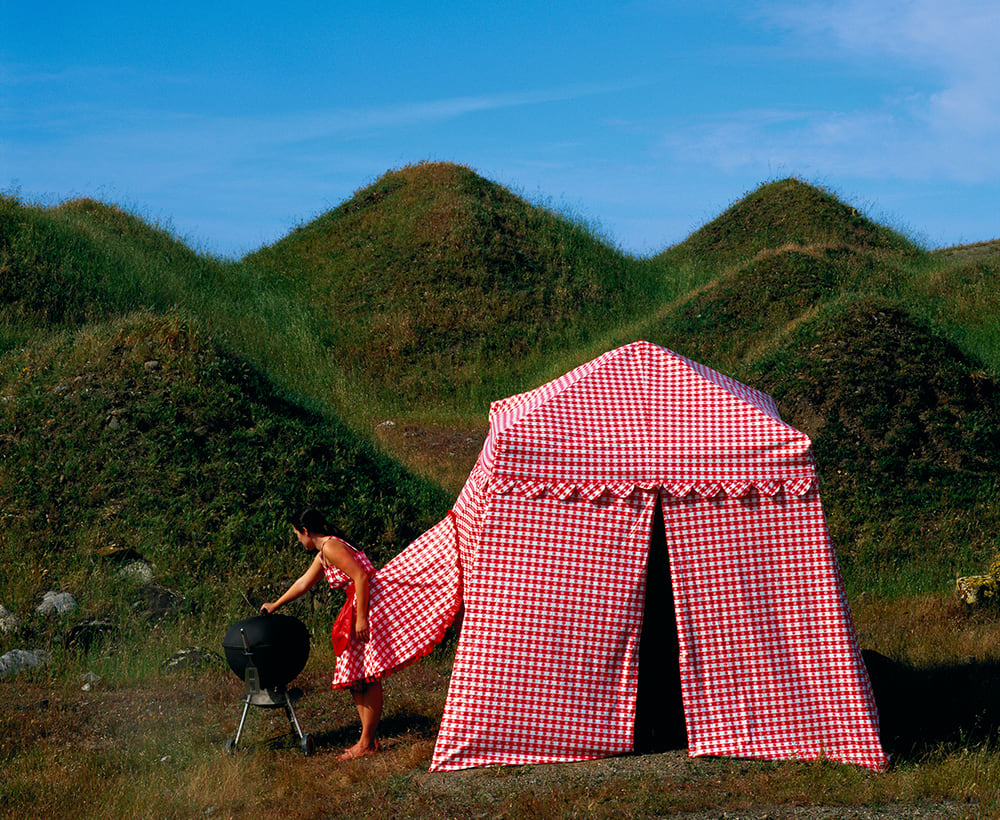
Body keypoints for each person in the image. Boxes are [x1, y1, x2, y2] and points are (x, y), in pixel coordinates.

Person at [261, 507, 382, 760]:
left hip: (366, 606)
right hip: (358, 605)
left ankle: (366, 742)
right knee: (357, 673)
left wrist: (361, 619)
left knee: (367, 675)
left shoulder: (330, 547)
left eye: (297, 534)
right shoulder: (325, 552)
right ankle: (367, 739)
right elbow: (303, 583)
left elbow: (360, 577)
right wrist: (276, 604)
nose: (297, 540)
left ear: (306, 531)